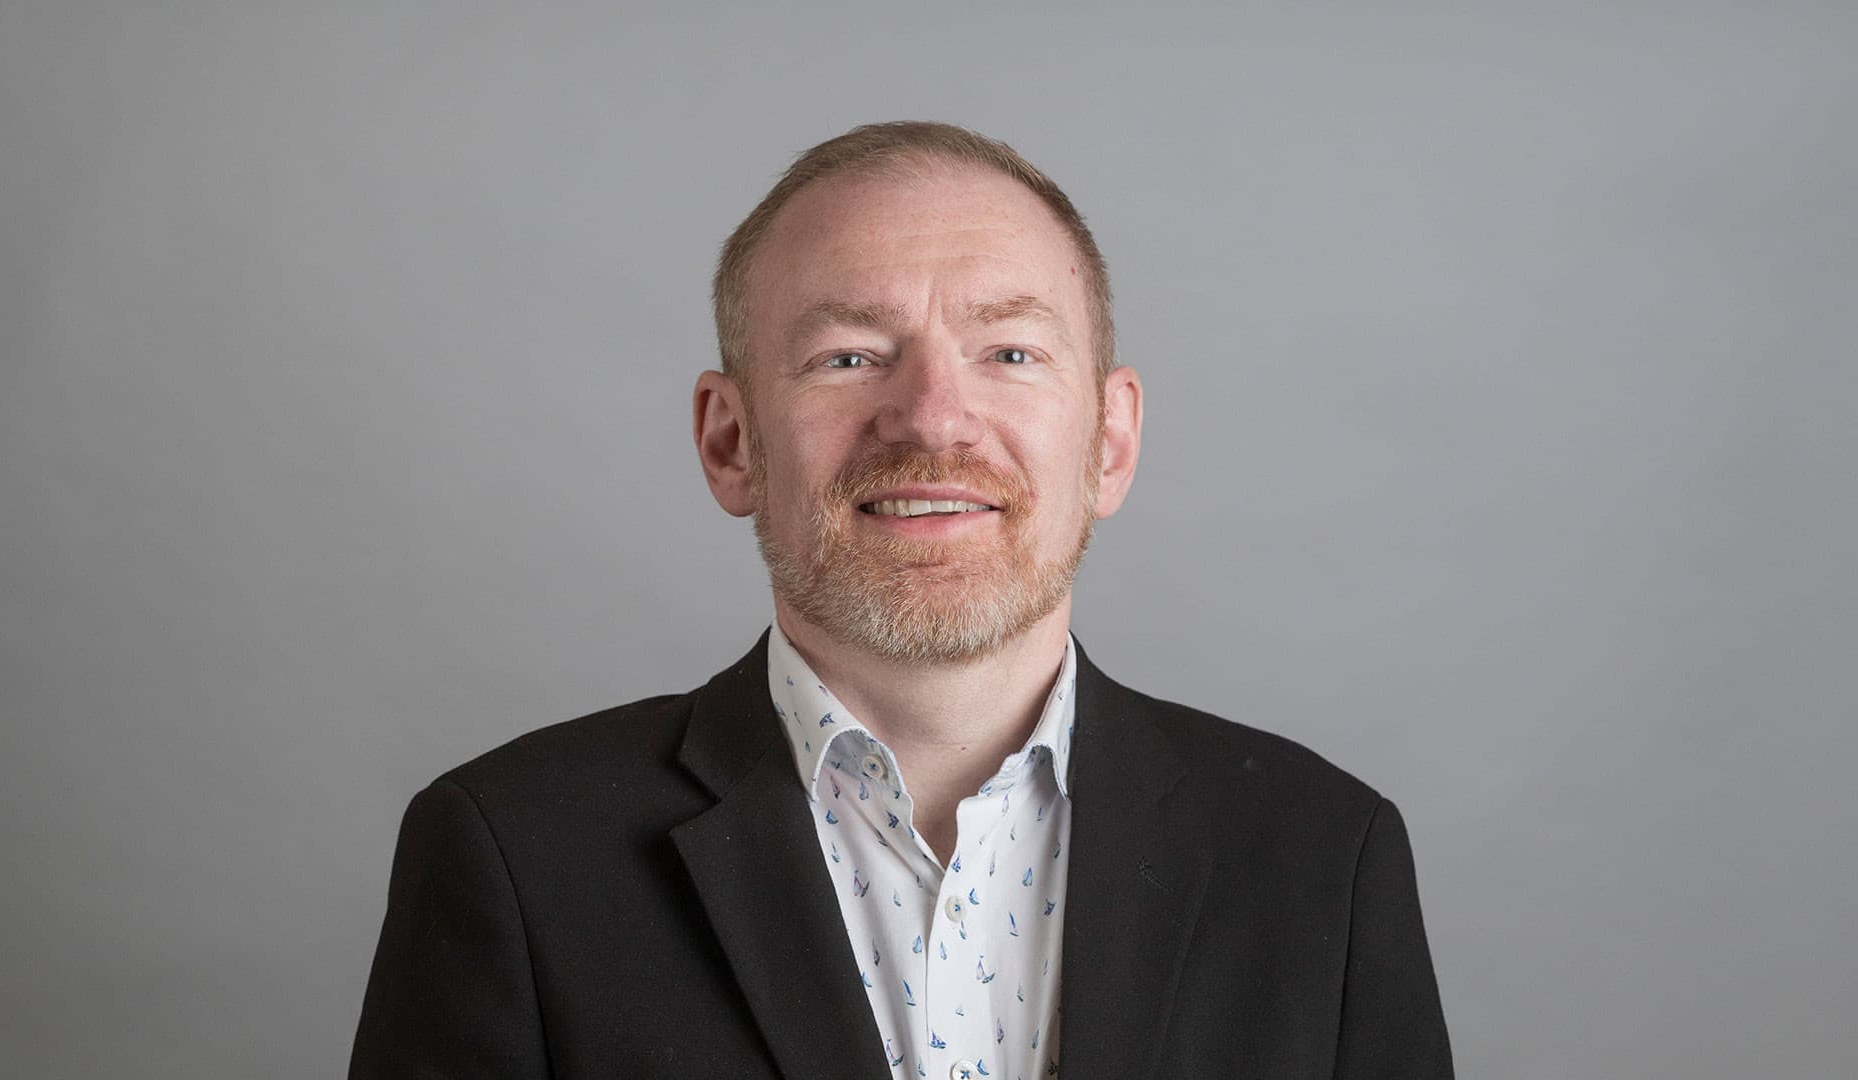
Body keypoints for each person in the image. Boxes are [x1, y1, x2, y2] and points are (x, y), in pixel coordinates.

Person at [349, 121, 1453, 1079]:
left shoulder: (1323, 859)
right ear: (731, 443)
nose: (931, 416)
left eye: (1008, 351)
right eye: (848, 357)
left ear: (1111, 442)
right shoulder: (515, 857)